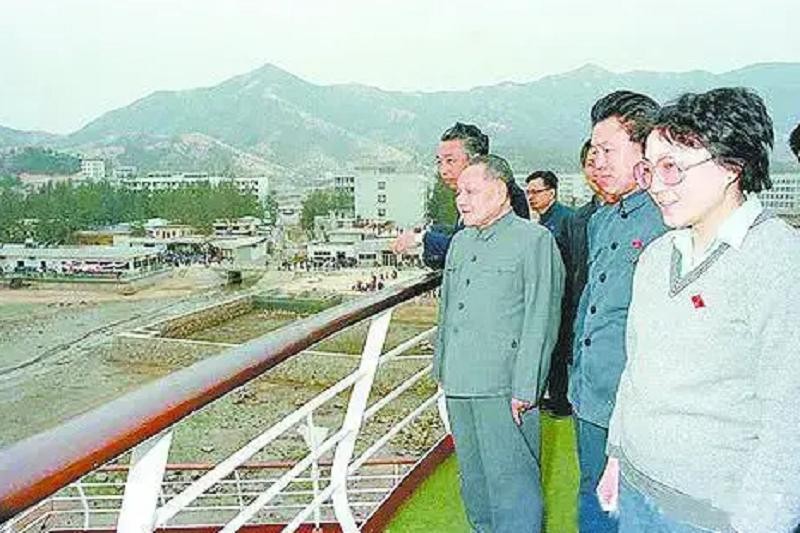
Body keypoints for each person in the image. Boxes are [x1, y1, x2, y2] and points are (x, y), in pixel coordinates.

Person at [600, 87, 800, 533]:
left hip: (711, 516)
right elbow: (636, 368)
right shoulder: (656, 257)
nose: (656, 185)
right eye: (649, 169)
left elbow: (790, 416)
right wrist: (616, 455)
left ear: (731, 166)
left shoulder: (779, 262)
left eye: (672, 167)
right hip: (636, 489)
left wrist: (762, 522)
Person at [433, 154, 564, 533]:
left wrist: (526, 386)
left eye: (470, 191)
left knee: (513, 486)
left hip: (504, 387)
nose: (461, 200)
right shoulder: (460, 243)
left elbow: (541, 317)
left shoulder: (534, 240)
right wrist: (442, 370)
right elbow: (448, 311)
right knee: (475, 485)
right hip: (459, 383)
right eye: (459, 192)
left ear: (501, 190)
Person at [569, 90, 668, 533]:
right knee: (594, 500)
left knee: (640, 512)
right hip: (590, 395)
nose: (598, 161)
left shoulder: (669, 221)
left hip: (641, 405)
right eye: (594, 150)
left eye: (608, 150)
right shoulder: (601, 220)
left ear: (645, 149)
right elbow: (592, 306)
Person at [392, 122, 529, 268]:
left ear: (475, 160)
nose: (443, 170)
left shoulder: (497, 196)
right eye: (439, 162)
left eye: (450, 161)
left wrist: (420, 238)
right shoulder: (469, 194)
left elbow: (469, 252)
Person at [525, 170, 575, 417]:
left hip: (565, 295)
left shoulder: (567, 219)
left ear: (551, 192)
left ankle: (562, 401)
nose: (531, 197)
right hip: (551, 294)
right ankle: (553, 397)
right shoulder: (541, 222)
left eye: (536, 192)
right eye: (528, 192)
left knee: (559, 349)